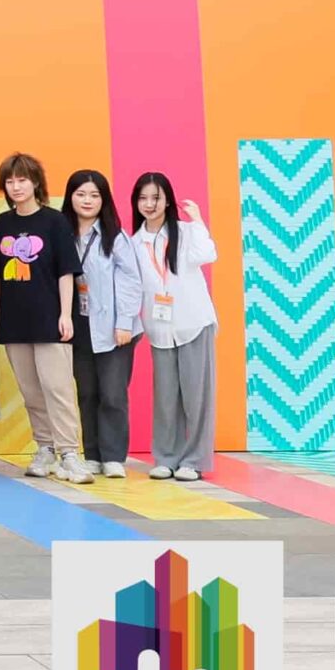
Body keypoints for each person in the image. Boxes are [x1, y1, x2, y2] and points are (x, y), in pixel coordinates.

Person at [0, 152, 91, 484]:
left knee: (58, 388)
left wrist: (65, 314)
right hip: (14, 320)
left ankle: (70, 453)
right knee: (30, 391)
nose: (16, 186)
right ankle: (45, 448)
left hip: (49, 318)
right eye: (10, 181)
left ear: (35, 183)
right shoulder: (2, 223)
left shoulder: (54, 221)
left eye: (22, 180)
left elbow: (65, 272)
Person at [131, 172, 220, 482]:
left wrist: (198, 221)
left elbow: (208, 254)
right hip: (159, 329)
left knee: (197, 397)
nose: (149, 204)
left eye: (156, 198)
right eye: (143, 198)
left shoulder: (185, 231)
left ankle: (194, 461)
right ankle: (166, 458)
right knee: (166, 398)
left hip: (193, 323)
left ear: (167, 200)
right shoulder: (134, 242)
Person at [64, 169, 145, 479]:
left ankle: (113, 457)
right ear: (71, 197)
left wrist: (124, 322)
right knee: (87, 393)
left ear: (104, 200)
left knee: (112, 394)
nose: (87, 200)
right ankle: (92, 455)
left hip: (115, 327)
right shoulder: (63, 233)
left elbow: (130, 282)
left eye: (94, 195)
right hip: (79, 324)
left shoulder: (115, 237)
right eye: (81, 194)